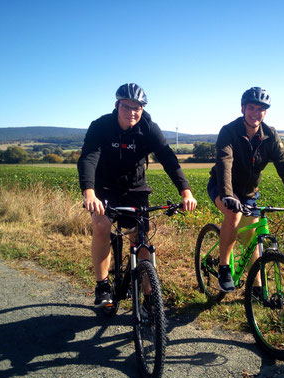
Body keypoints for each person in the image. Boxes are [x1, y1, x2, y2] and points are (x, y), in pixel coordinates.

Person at [78, 83, 197, 308]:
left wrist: (186, 192)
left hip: (135, 187)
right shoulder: (101, 126)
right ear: (117, 105)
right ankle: (102, 286)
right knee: (102, 226)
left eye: (137, 107)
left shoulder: (149, 128)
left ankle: (149, 295)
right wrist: (89, 193)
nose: (132, 112)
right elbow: (88, 158)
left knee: (141, 236)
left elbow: (168, 158)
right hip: (104, 188)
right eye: (127, 106)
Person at [208, 87, 284, 293]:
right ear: (243, 109)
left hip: (248, 192)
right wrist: (228, 194)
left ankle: (256, 288)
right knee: (233, 214)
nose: (256, 113)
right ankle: (224, 267)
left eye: (261, 109)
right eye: (251, 108)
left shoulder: (270, 136)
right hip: (221, 185)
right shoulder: (229, 131)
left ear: (265, 112)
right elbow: (225, 162)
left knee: (252, 239)